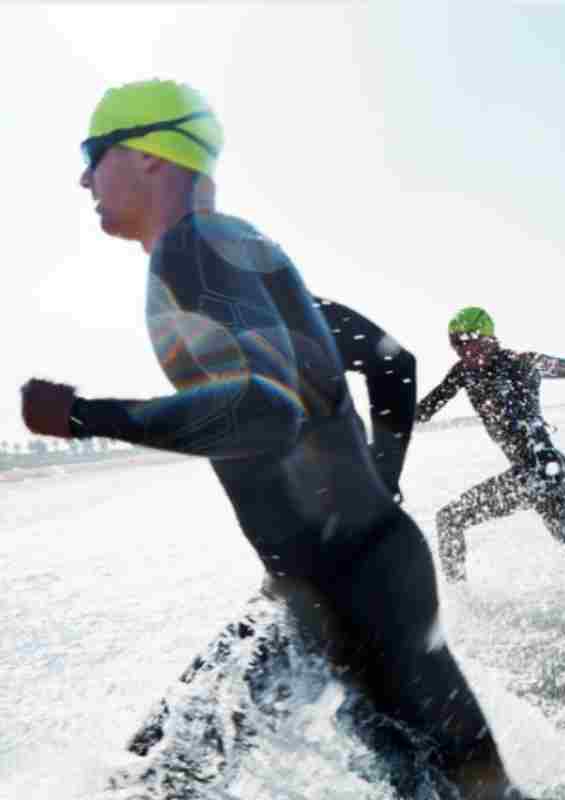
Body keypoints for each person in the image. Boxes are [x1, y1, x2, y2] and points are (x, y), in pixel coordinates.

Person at [19, 79, 527, 800]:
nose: (84, 177)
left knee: (151, 785)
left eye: (93, 154)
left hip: (345, 587)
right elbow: (391, 359)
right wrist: (381, 484)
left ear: (150, 157)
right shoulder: (249, 253)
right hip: (349, 578)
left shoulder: (192, 252)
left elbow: (265, 411)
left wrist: (81, 416)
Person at [415, 307, 565, 581]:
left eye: (468, 341)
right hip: (535, 475)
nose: (463, 351)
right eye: (456, 344)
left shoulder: (523, 362)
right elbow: (425, 409)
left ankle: (459, 607)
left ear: (488, 337)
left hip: (544, 469)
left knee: (449, 519)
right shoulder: (463, 373)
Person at [315, 296, 416, 502]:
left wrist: (384, 471)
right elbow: (395, 364)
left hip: (340, 491)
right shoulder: (291, 302)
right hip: (343, 488)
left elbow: (395, 364)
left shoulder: (287, 304)